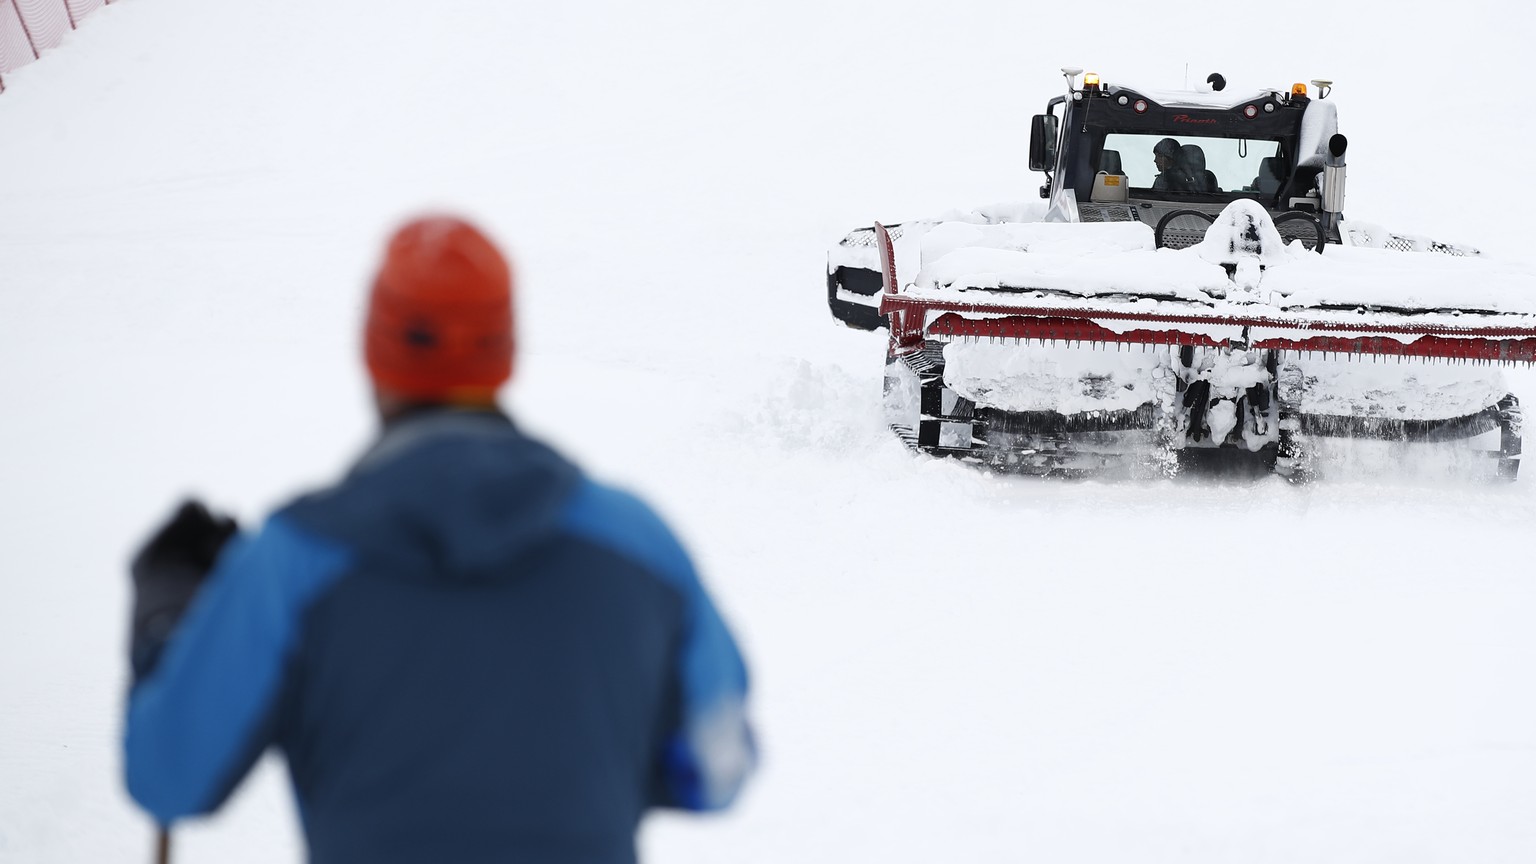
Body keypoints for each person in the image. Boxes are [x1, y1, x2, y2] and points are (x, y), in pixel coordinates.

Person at [123, 216, 755, 863]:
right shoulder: (635, 544)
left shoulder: (293, 563)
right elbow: (719, 767)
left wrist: (167, 627)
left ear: (374, 351)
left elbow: (166, 776)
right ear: (505, 351)